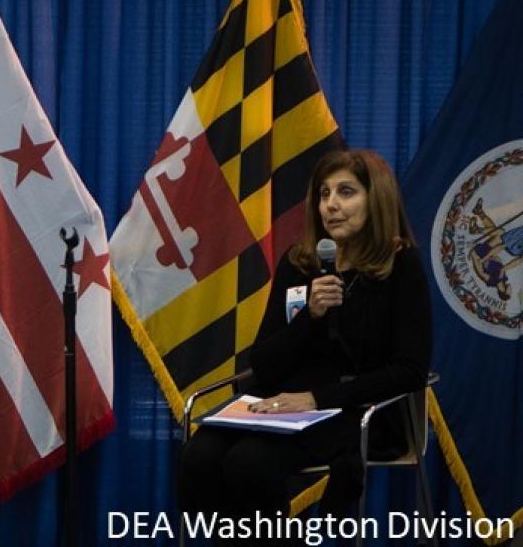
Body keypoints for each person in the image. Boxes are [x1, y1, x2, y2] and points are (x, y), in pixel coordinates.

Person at [178, 149, 432, 524]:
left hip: (358, 409)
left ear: (375, 198)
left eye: (346, 192)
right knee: (198, 457)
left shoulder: (400, 265)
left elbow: (410, 370)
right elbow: (263, 362)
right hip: (284, 406)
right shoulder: (300, 264)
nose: (331, 205)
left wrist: (316, 398)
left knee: (250, 463)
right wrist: (310, 317)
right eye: (324, 194)